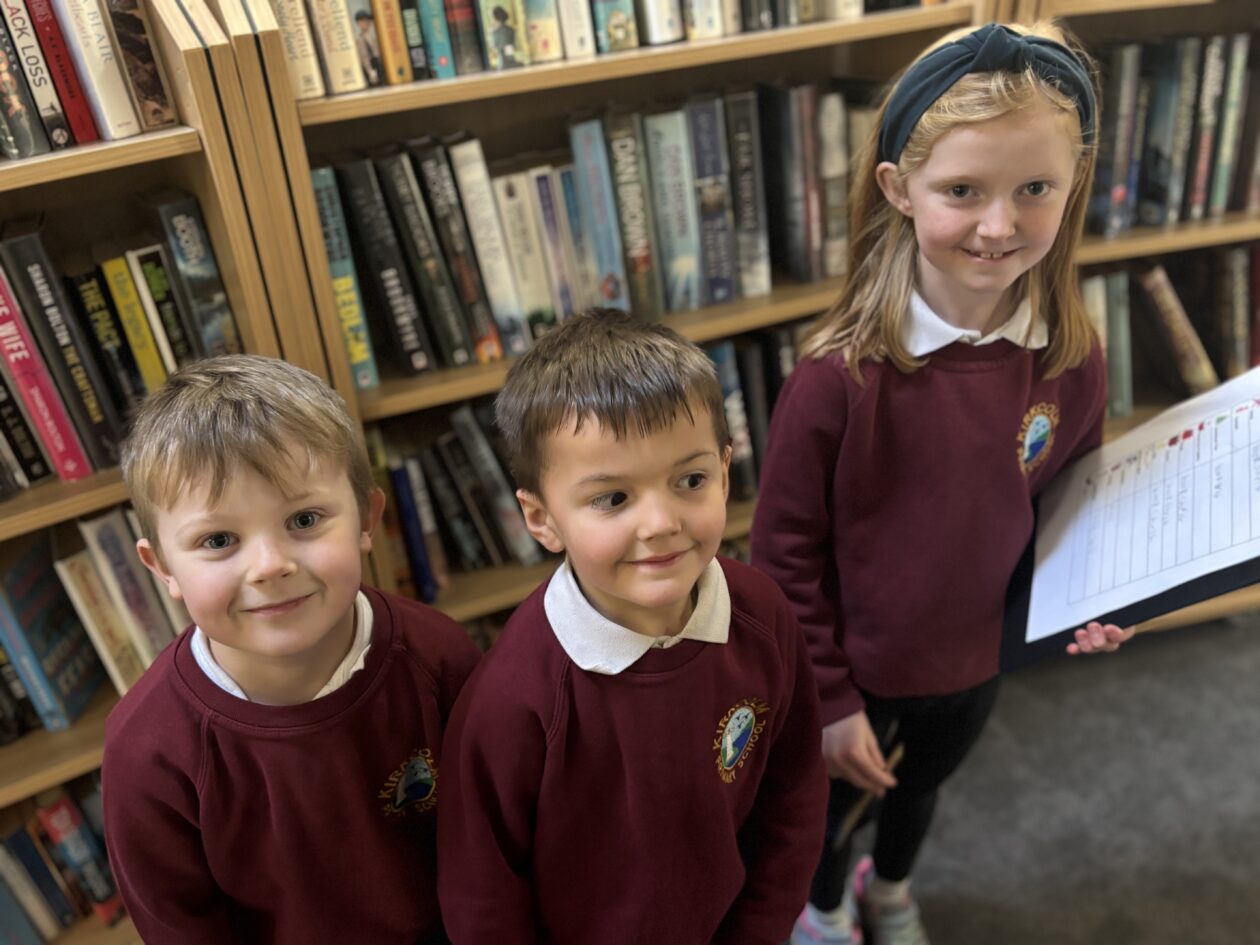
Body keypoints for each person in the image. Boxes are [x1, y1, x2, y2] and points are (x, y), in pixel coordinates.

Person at [748, 22, 1137, 945]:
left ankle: (892, 889)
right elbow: (782, 557)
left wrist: (1103, 595)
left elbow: (1074, 508)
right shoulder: (838, 378)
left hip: (973, 662)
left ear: (1073, 182)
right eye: (963, 190)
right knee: (829, 814)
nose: (999, 226)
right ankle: (823, 912)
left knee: (919, 790)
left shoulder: (1072, 358)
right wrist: (830, 699)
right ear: (900, 189)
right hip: (856, 671)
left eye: (1034, 189)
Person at [437, 310, 827, 944]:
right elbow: (483, 895)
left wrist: (760, 929)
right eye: (613, 498)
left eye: (690, 480)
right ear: (541, 520)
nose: (661, 523)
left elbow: (795, 789)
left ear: (725, 471)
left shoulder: (762, 613)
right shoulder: (512, 700)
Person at [102, 355, 481, 945]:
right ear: (163, 568)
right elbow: (180, 928)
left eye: (304, 519)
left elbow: (494, 846)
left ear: (367, 519)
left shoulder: (440, 657)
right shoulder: (147, 752)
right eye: (218, 539)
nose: (270, 566)